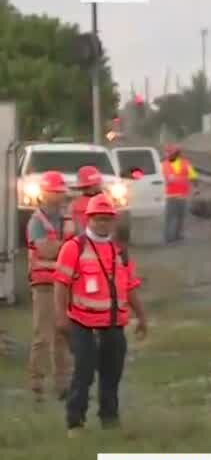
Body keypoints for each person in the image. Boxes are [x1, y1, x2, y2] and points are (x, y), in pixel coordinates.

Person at [53, 195, 148, 436]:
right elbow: (61, 284)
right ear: (89, 219)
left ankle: (110, 420)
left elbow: (130, 287)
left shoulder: (120, 252)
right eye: (99, 219)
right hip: (82, 323)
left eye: (108, 219)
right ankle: (75, 423)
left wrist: (142, 317)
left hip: (113, 324)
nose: (103, 224)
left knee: (111, 376)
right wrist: (61, 317)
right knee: (83, 373)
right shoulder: (73, 248)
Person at [26, 171, 75, 402]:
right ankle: (36, 382)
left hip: (63, 286)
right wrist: (62, 249)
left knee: (61, 335)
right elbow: (45, 249)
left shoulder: (66, 220)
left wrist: (61, 249)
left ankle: (62, 384)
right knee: (42, 335)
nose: (59, 197)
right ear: (45, 194)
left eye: (60, 193)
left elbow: (72, 247)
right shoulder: (36, 221)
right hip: (44, 286)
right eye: (55, 193)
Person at [161, 143, 198, 243]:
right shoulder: (165, 165)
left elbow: (193, 176)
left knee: (179, 217)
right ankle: (169, 238)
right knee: (171, 218)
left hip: (181, 196)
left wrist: (195, 187)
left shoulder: (183, 164)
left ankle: (177, 236)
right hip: (171, 196)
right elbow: (168, 179)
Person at [69, 166, 105, 233]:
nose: (101, 185)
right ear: (93, 185)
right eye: (99, 183)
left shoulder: (74, 205)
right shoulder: (103, 203)